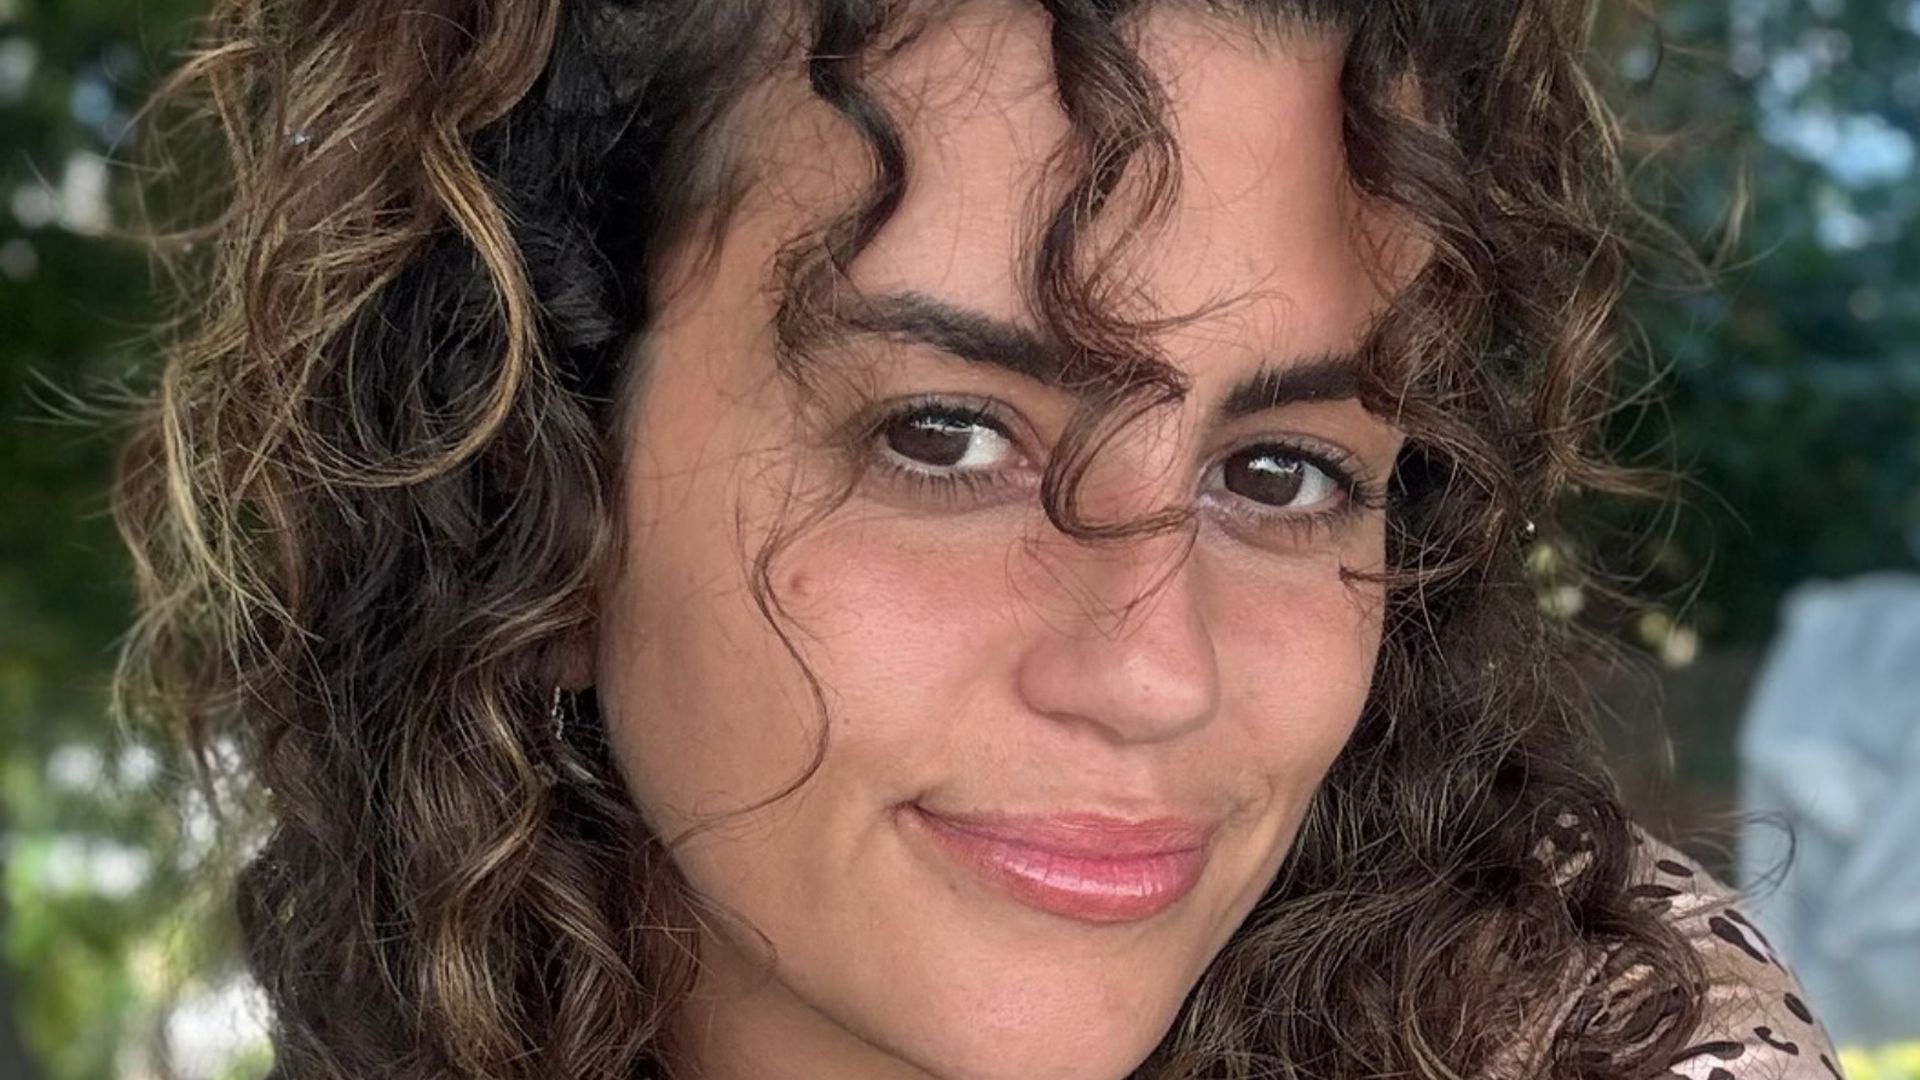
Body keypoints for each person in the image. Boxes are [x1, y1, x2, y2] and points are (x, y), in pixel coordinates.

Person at [111, 1, 1843, 1077]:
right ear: (538, 481)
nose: (1155, 673)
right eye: (944, 437)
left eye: (1283, 472)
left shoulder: (1603, 1038)